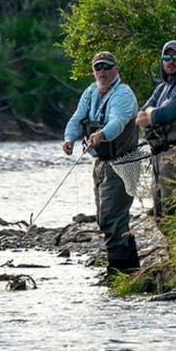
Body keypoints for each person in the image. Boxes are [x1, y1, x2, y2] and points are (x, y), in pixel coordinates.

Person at [63, 51, 140, 276]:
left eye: (107, 67)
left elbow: (117, 121)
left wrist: (101, 135)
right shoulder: (91, 91)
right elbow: (77, 119)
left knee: (111, 218)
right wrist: (69, 138)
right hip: (102, 163)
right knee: (105, 218)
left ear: (116, 69)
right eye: (98, 67)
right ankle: (131, 270)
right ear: (93, 71)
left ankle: (117, 271)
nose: (102, 72)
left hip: (124, 162)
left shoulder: (123, 94)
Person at [136, 40, 176, 218]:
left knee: (173, 211)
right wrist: (150, 112)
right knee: (159, 214)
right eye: (167, 57)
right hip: (157, 155)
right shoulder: (161, 88)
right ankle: (174, 245)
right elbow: (139, 118)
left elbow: (162, 115)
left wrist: (152, 113)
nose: (171, 61)